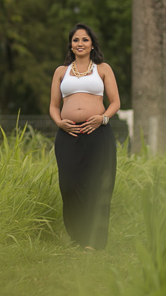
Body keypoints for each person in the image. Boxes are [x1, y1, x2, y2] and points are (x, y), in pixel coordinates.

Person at [48, 23, 121, 251]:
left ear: (92, 44)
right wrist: (59, 122)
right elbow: (53, 106)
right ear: (71, 44)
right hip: (68, 135)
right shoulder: (61, 72)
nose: (80, 44)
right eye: (76, 40)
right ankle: (77, 236)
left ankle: (93, 242)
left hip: (97, 134)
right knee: (69, 185)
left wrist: (103, 118)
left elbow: (115, 102)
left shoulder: (102, 69)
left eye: (85, 40)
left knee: (96, 186)